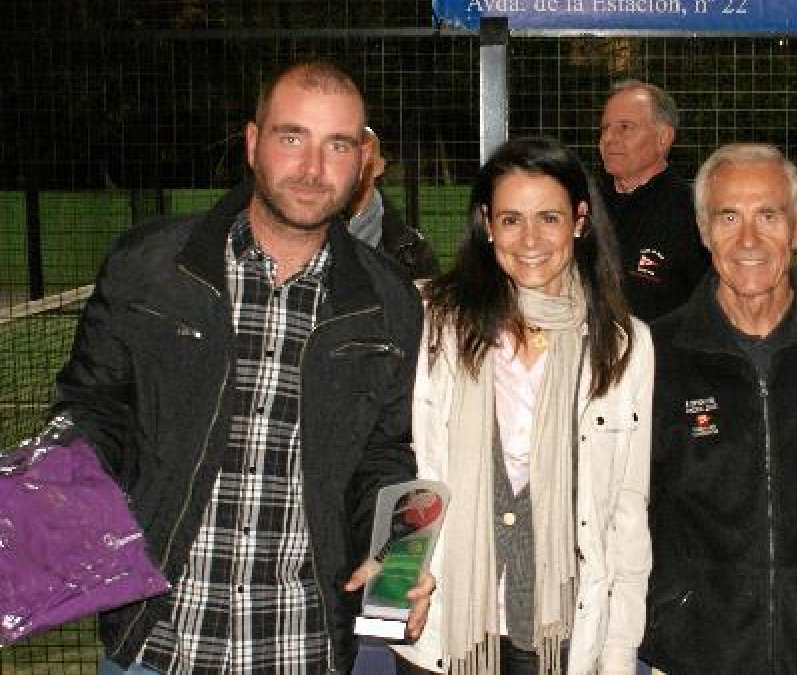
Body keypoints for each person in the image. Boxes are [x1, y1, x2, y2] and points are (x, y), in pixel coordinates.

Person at [51, 59, 433, 674]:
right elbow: (92, 407)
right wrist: (53, 490)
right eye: (292, 138)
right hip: (157, 644)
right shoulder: (147, 267)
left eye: (337, 145)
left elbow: (386, 453)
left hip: (304, 645)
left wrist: (393, 551)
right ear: (253, 142)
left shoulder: (391, 303)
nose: (312, 169)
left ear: (362, 160)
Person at [394, 137, 653, 675]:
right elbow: (412, 465)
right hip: (448, 621)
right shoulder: (435, 322)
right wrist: (399, 581)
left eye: (549, 218)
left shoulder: (624, 343)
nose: (530, 239)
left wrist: (621, 652)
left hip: (562, 632)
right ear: (487, 224)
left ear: (580, 221)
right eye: (511, 219)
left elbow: (627, 511)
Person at [640, 143, 797, 675]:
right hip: (693, 649)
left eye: (769, 215)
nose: (749, 240)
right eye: (729, 216)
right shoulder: (652, 356)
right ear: (703, 230)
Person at [598, 80, 709, 322]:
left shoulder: (693, 214)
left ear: (663, 138)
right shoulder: (584, 205)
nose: (609, 138)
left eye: (625, 128)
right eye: (605, 128)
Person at [347, 126, 442, 280]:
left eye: (364, 157)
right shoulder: (305, 231)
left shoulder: (412, 252)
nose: (355, 167)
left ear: (380, 167)